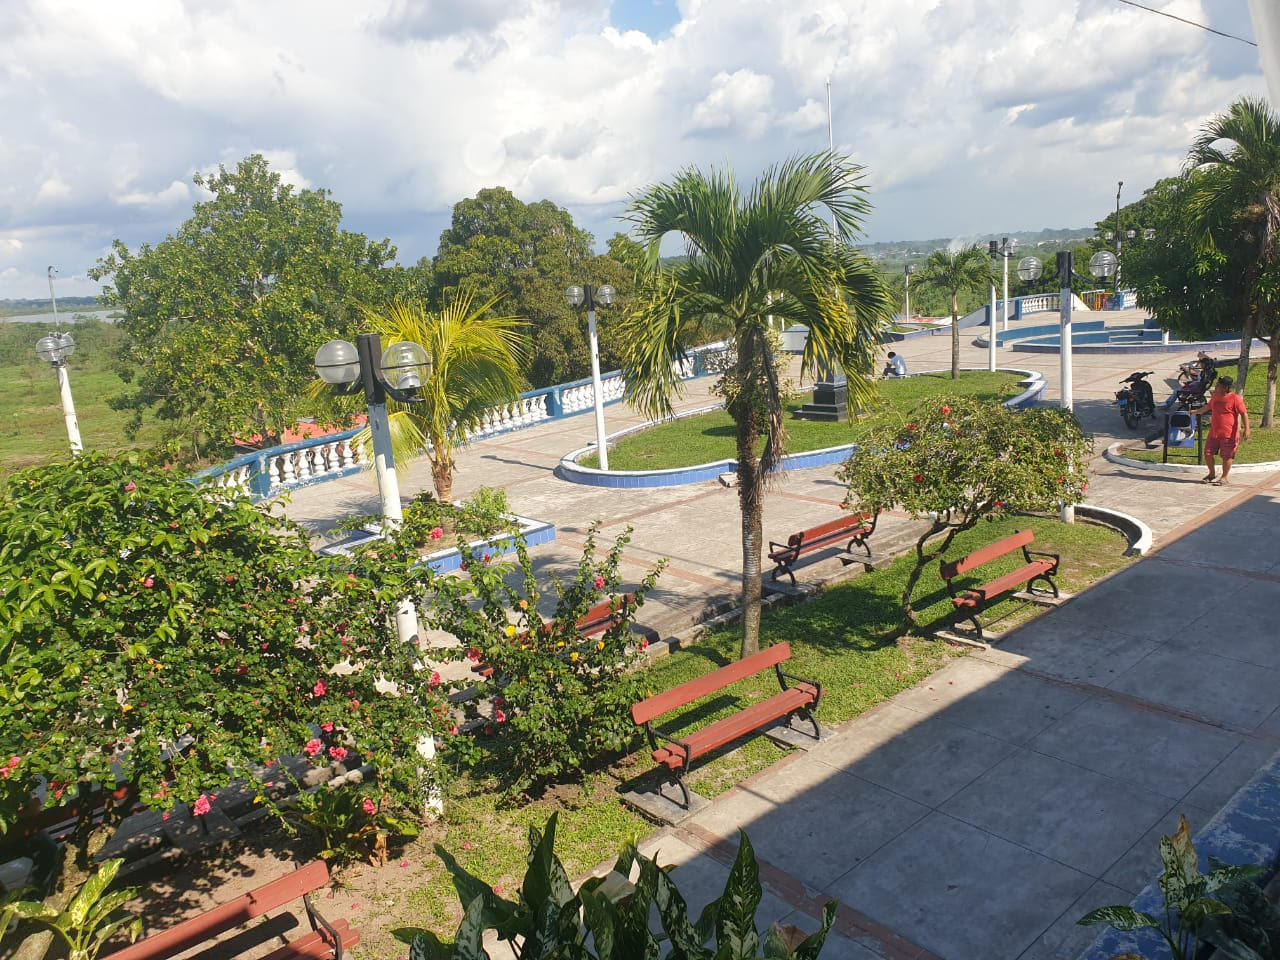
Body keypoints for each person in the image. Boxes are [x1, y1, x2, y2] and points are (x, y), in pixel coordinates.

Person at [1191, 375, 1250, 486]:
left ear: (1225, 387)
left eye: (1219, 385)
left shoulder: (1235, 398)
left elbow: (1244, 414)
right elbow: (1207, 407)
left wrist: (1247, 430)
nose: (1216, 386)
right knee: (1208, 453)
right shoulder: (1215, 397)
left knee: (1227, 456)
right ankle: (1211, 474)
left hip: (1229, 434)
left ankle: (1224, 477)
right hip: (1214, 433)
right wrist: (1195, 412)